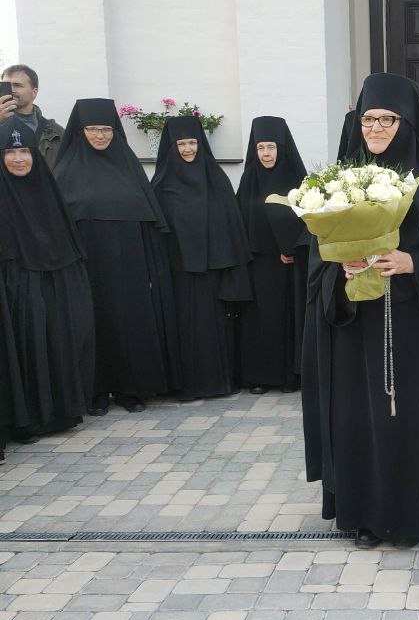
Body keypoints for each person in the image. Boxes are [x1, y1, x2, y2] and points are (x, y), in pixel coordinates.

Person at [301, 74, 419, 548]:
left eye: (388, 120)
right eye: (368, 119)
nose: (377, 128)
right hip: (354, 325)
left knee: (409, 419)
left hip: (412, 325)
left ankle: (413, 516)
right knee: (360, 418)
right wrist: (340, 265)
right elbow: (317, 257)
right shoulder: (338, 183)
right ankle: (366, 516)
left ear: (406, 124)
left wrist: (411, 262)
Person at [54, 98, 180, 414]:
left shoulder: (129, 167)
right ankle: (96, 391)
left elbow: (149, 219)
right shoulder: (65, 171)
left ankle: (131, 389)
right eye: (93, 129)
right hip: (88, 265)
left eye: (106, 129)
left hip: (129, 264)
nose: (100, 135)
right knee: (92, 323)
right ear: (80, 131)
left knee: (130, 321)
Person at [0, 119, 94, 441]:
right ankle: (28, 420)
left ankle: (60, 413)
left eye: (24, 151)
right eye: (10, 152)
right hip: (16, 288)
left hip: (54, 285)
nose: (18, 159)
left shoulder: (48, 192)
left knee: (56, 342)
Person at [151, 117, 252, 401]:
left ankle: (219, 382)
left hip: (213, 273)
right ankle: (185, 386)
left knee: (214, 329)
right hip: (178, 274)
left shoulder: (216, 180)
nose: (187, 149)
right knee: (182, 329)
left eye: (192, 143)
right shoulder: (160, 185)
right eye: (181, 144)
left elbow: (232, 225)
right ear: (171, 147)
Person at [236, 117, 310, 394]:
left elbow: (311, 220)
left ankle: (293, 375)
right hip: (259, 264)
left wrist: (293, 249)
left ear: (282, 148)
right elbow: (239, 220)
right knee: (261, 320)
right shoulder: (249, 180)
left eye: (271, 147)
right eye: (260, 148)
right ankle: (261, 376)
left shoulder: (298, 181)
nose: (265, 154)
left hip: (292, 265)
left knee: (291, 317)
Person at [0, 64, 64, 167]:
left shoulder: (55, 131)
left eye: (17, 85)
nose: (11, 90)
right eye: (6, 85)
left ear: (34, 92)